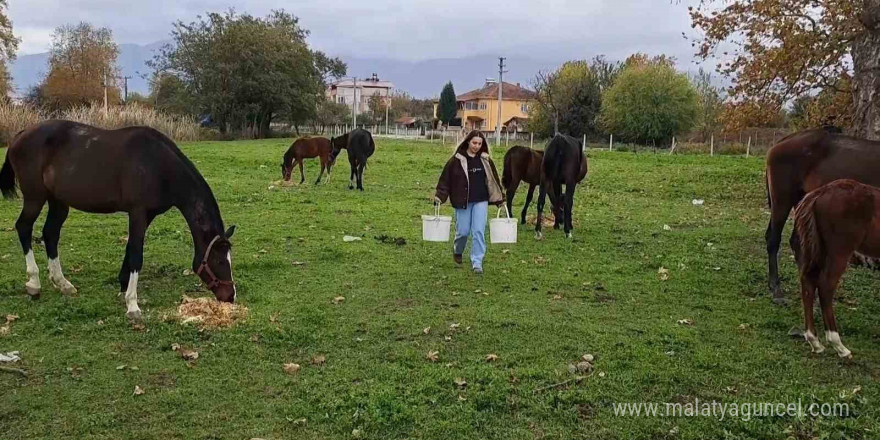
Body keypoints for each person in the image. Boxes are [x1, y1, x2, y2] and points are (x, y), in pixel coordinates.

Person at [434, 130, 505, 274]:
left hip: (481, 200)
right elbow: (445, 180)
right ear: (468, 141)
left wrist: (500, 199)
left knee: (478, 231)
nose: (477, 146)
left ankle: (477, 262)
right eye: (474, 143)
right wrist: (440, 197)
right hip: (462, 201)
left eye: (480, 143)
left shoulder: (485, 160)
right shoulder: (456, 160)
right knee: (463, 231)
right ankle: (457, 250)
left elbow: (493, 181)